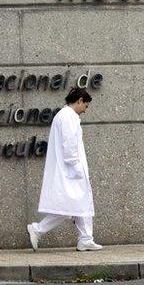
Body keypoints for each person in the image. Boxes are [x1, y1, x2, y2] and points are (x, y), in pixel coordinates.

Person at [26, 88, 103, 252]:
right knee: (67, 207)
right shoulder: (68, 116)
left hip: (70, 169)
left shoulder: (65, 115)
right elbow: (69, 144)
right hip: (70, 170)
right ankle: (38, 229)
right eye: (86, 106)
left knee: (80, 205)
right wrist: (76, 167)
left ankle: (86, 239)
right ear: (80, 100)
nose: (85, 110)